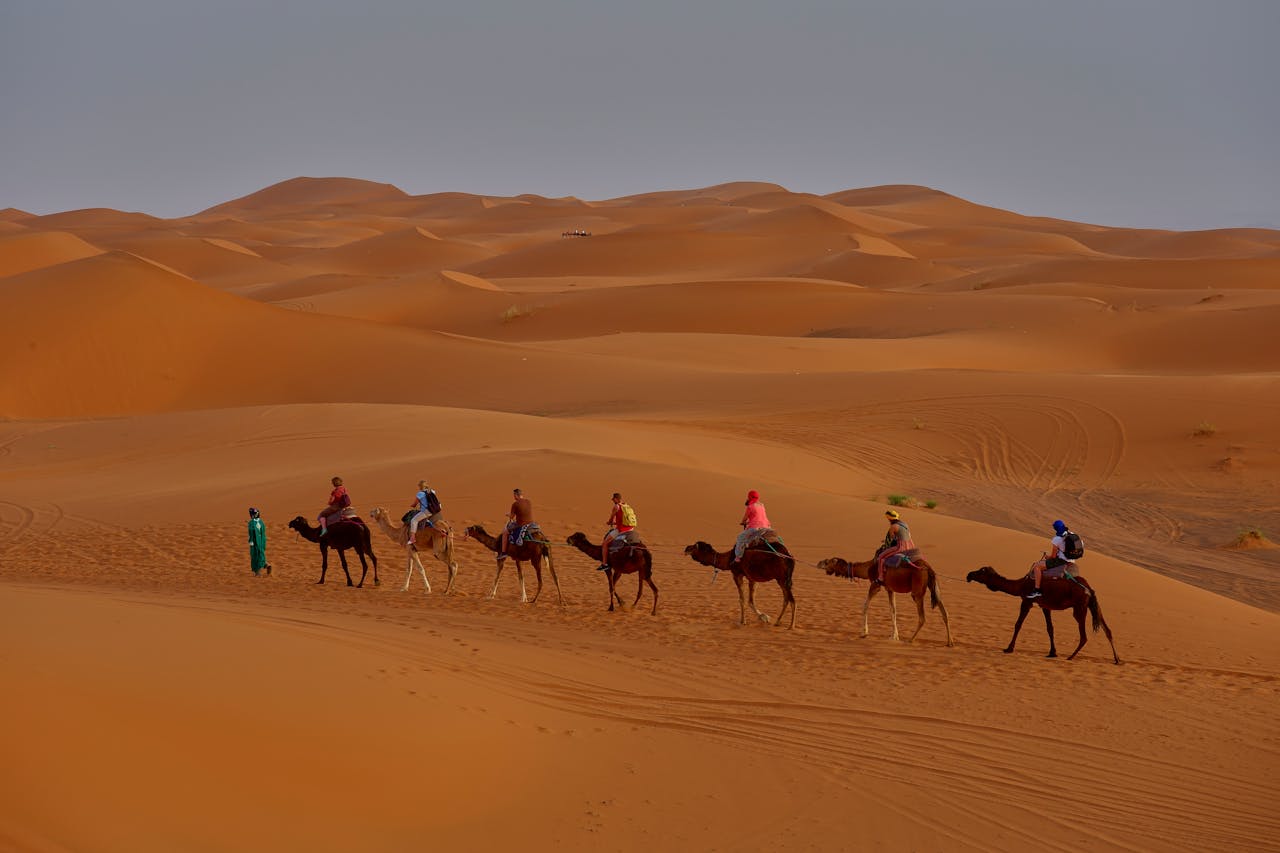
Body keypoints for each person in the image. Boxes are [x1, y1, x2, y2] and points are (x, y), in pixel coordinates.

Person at [1027, 520, 1077, 599]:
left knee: (1037, 567)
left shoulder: (1057, 539)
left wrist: (1047, 557)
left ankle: (1037, 590)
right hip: (1072, 560)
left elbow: (1053, 556)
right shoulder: (1072, 534)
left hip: (1061, 561)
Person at [874, 509, 919, 583]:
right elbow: (908, 536)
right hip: (911, 546)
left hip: (901, 547)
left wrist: (886, 542)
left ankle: (880, 577)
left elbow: (893, 539)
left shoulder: (893, 527)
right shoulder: (905, 524)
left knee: (880, 558)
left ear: (889, 519)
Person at [598, 492, 637, 571]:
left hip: (621, 530)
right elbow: (625, 519)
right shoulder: (626, 505)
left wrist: (610, 522)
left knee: (605, 543)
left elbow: (611, 518)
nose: (613, 500)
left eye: (613, 499)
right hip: (631, 528)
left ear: (616, 499)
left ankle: (604, 564)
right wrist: (616, 523)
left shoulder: (616, 506)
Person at [733, 489, 773, 562]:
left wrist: (743, 522)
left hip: (755, 527)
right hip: (767, 527)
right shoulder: (762, 505)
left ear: (749, 497)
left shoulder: (750, 506)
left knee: (740, 538)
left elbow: (745, 518)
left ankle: (738, 557)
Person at [498, 488, 533, 561]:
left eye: (514, 495)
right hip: (531, 523)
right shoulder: (528, 501)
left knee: (505, 532)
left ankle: (503, 553)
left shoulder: (515, 504)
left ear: (516, 495)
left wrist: (508, 515)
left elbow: (512, 517)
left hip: (521, 524)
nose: (514, 497)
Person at [405, 480, 442, 550]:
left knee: (414, 520)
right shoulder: (432, 491)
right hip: (435, 510)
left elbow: (415, 503)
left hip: (427, 511)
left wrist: (413, 505)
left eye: (419, 486)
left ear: (420, 486)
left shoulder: (420, 494)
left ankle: (412, 538)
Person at [247, 507, 270, 576]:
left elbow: (251, 532)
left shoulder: (251, 523)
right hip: (262, 541)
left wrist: (251, 541)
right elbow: (263, 532)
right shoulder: (261, 522)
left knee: (255, 556)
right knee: (261, 554)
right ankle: (266, 565)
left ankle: (258, 573)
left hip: (255, 542)